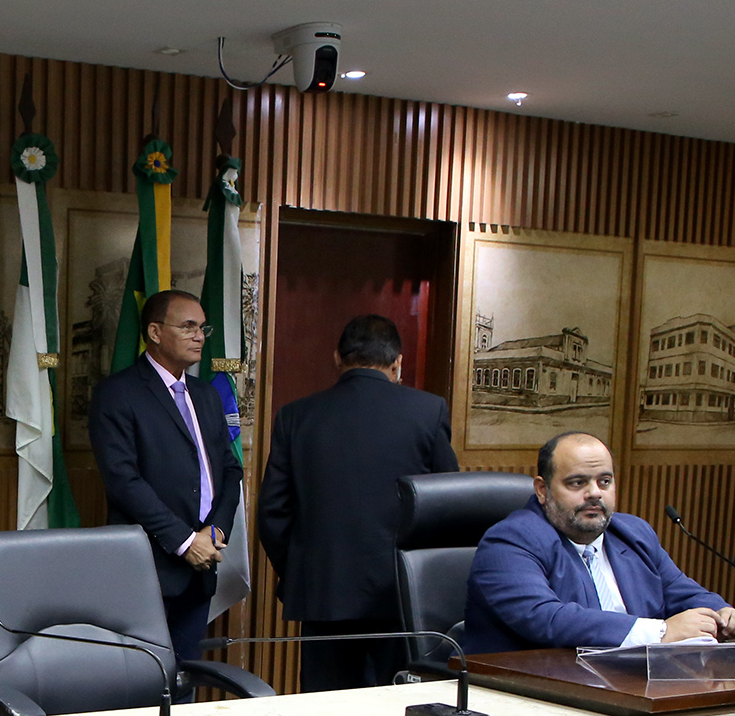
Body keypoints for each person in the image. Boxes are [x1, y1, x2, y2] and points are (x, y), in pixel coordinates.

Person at [257, 313, 458, 690]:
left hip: (324, 592)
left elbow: (273, 513)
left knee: (328, 708)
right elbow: (446, 506)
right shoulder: (428, 410)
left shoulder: (296, 416)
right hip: (402, 596)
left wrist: (304, 568)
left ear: (337, 358)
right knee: (396, 707)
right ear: (398, 362)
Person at [464, 431, 735, 654]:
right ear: (542, 489)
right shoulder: (510, 542)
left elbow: (681, 591)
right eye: (577, 483)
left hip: (631, 683)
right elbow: (547, 618)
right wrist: (662, 632)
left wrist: (723, 615)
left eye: (604, 481)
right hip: (530, 692)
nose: (595, 493)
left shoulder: (633, 532)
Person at [88, 289, 243, 669]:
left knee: (187, 678)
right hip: (148, 564)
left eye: (202, 327)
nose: (199, 336)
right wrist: (185, 541)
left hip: (203, 564)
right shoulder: (118, 393)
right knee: (142, 680)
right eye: (188, 326)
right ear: (155, 332)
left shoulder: (206, 395)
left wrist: (216, 531)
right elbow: (123, 480)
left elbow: (230, 469)